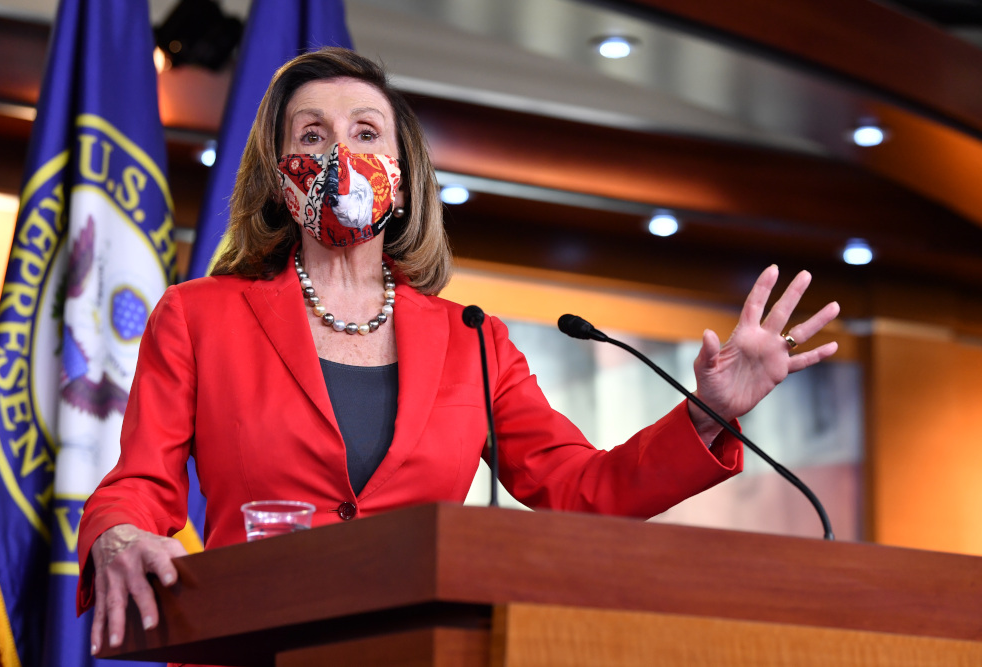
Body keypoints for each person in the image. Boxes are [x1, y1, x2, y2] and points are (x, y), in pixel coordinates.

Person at [78, 47, 840, 656]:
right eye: (312, 135)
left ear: (403, 180)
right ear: (282, 179)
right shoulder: (199, 315)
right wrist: (116, 531)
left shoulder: (470, 337)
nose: (340, 150)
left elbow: (578, 488)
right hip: (253, 643)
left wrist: (706, 414)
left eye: (365, 133)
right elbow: (140, 482)